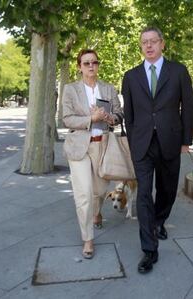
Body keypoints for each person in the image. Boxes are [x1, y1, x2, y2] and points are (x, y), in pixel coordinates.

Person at [122, 26, 193, 274]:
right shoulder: (130, 76)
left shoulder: (179, 72)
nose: (149, 46)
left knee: (167, 190)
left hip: (170, 140)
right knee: (144, 194)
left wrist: (187, 139)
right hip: (142, 144)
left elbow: (189, 107)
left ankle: (160, 220)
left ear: (162, 44)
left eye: (153, 41)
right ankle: (149, 250)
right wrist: (132, 142)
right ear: (141, 47)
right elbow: (129, 115)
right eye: (145, 42)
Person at [62, 49, 123, 259]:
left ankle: (97, 212)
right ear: (79, 66)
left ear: (98, 65)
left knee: (98, 190)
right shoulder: (70, 89)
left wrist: (109, 118)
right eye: (86, 63)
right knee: (83, 194)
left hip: (102, 145)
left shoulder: (108, 88)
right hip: (79, 147)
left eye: (94, 62)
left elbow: (119, 114)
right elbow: (66, 118)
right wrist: (90, 117)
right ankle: (87, 239)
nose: (90, 66)